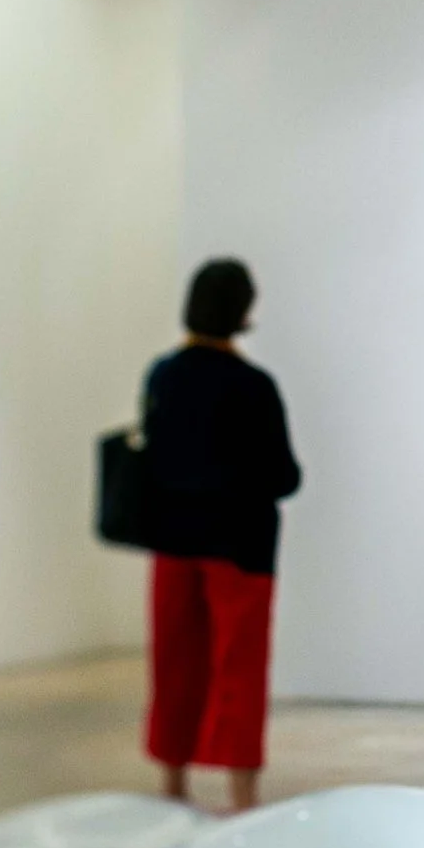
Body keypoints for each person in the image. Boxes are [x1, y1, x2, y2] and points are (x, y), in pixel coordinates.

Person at [139, 258, 301, 813]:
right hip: (241, 546)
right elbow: (284, 475)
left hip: (174, 541)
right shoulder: (253, 386)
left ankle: (172, 788)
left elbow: (154, 458)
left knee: (173, 663)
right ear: (243, 313)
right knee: (239, 668)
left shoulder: (163, 376)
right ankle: (241, 797)